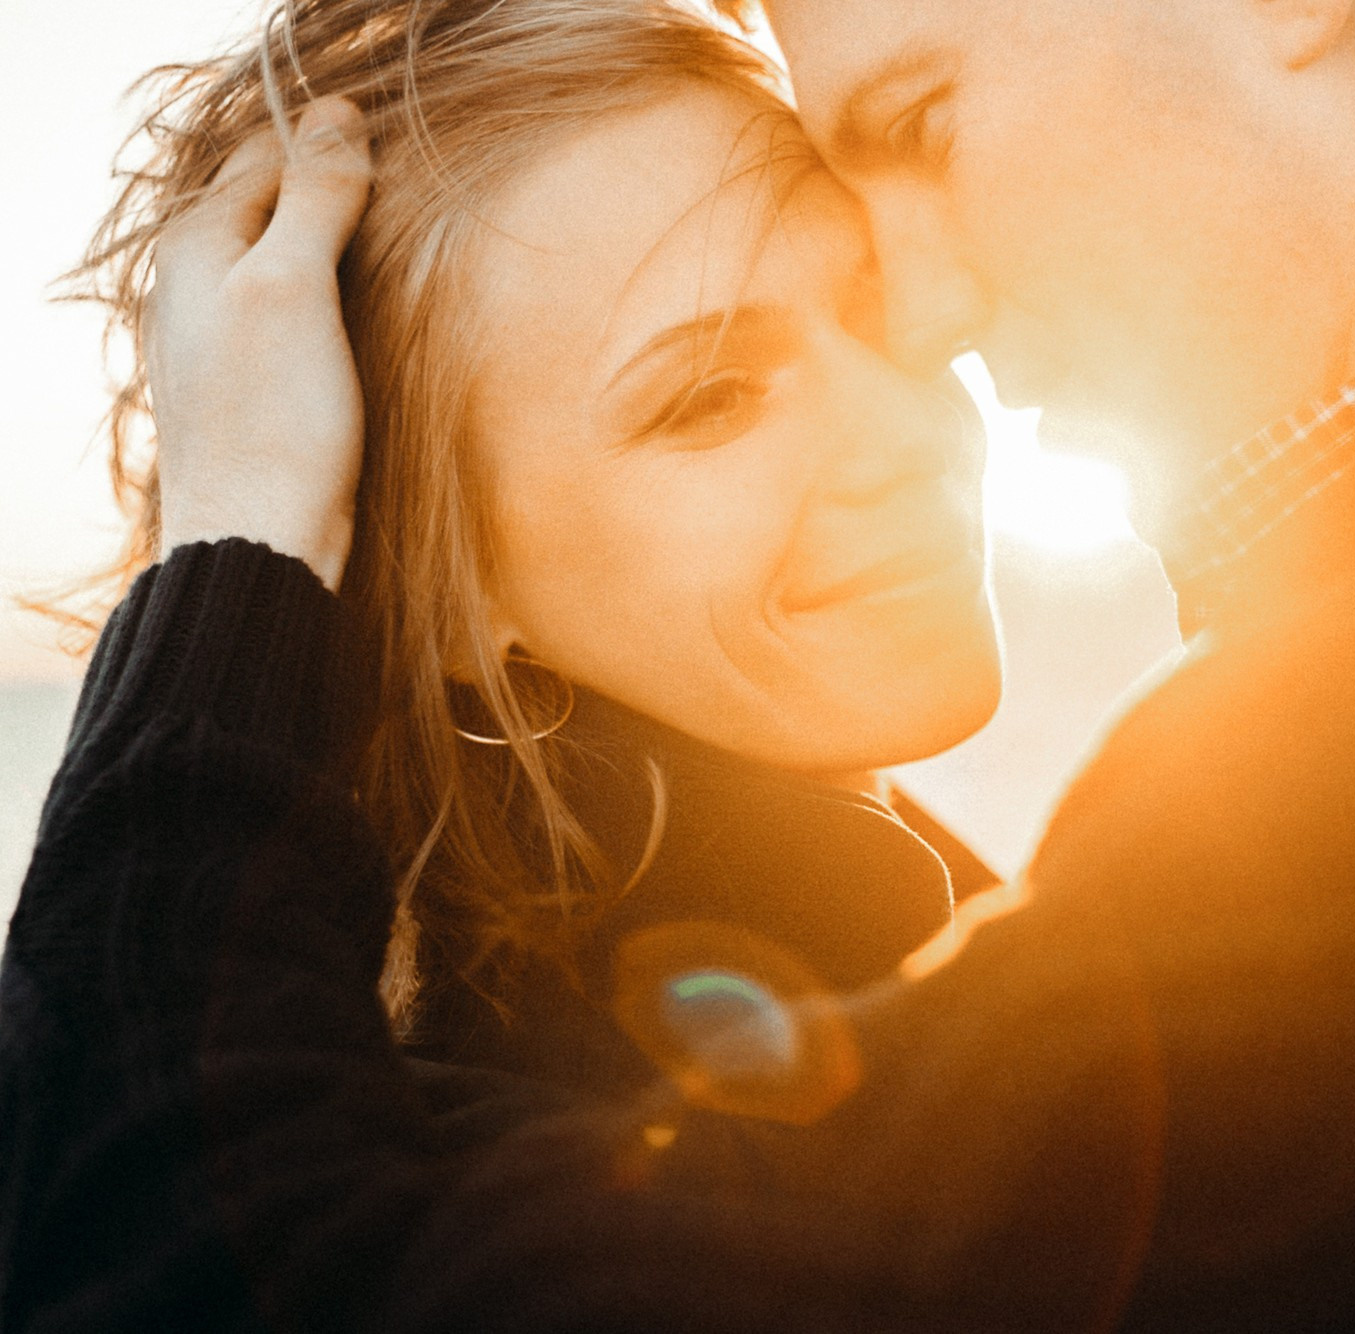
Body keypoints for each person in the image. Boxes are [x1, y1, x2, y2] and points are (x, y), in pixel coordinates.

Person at [7, 0, 1355, 1329]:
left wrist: (236, 572)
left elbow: (182, 1270)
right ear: (450, 588)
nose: (939, 344)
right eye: (706, 396)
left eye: (927, 126)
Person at [2, 1, 1016, 1326]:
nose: (910, 428)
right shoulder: (575, 1163)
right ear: (459, 600)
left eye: (876, 307)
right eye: (707, 394)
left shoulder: (944, 969)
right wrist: (247, 532)